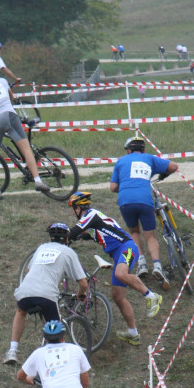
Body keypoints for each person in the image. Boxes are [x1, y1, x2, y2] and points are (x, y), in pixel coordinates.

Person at [67, 191, 163, 347]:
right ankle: (133, 334)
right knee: (118, 296)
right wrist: (76, 238)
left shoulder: (91, 215)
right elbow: (89, 234)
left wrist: (63, 236)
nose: (72, 212)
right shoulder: (92, 221)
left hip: (127, 247)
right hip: (119, 254)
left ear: (79, 207)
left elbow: (75, 231)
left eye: (73, 208)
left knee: (120, 274)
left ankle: (151, 296)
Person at [3, 222, 87, 365]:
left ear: (50, 237)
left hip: (26, 290)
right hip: (47, 294)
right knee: (55, 330)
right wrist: (81, 294)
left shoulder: (41, 248)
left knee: (21, 311)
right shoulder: (69, 252)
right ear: (67, 238)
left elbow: (29, 271)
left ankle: (12, 351)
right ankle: (55, 362)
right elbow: (83, 283)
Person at [0, 63, 50, 199]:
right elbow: (12, 98)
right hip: (9, 115)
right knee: (26, 150)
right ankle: (38, 181)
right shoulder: (2, 81)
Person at [110, 136, 178, 282]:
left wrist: (126, 187)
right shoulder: (150, 158)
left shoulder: (121, 161)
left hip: (125, 201)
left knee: (134, 232)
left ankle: (142, 264)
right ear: (143, 149)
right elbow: (173, 166)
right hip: (145, 200)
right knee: (151, 236)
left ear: (128, 150)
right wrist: (163, 175)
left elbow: (113, 187)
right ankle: (157, 266)